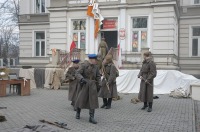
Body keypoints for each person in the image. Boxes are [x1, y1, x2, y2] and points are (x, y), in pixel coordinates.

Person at [75, 54, 101, 124]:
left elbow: (98, 76)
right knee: (81, 99)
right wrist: (82, 79)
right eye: (95, 60)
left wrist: (99, 83)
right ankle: (78, 112)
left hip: (92, 85)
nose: (96, 62)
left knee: (93, 101)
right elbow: (77, 73)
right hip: (84, 84)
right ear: (91, 60)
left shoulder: (96, 67)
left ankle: (91, 117)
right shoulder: (83, 65)